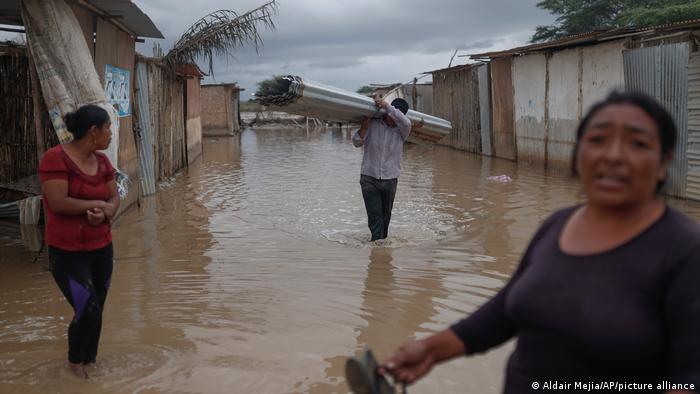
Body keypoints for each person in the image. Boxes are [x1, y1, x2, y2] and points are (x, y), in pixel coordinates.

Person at [378, 91, 700, 393]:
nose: (613, 155)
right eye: (598, 139)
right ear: (579, 154)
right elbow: (506, 310)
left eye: (638, 144)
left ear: (664, 162)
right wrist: (430, 350)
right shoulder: (559, 224)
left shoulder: (684, 251)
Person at [39, 104, 119, 379]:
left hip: (102, 249)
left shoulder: (104, 162)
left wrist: (107, 210)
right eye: (108, 128)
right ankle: (75, 365)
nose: (111, 133)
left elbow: (114, 198)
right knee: (89, 308)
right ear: (93, 131)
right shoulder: (55, 158)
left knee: (98, 309)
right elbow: (58, 201)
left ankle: (90, 363)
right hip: (68, 253)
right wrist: (98, 204)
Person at [353, 97, 412, 241]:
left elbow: (405, 121)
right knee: (374, 217)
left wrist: (387, 106)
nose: (392, 119)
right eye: (391, 115)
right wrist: (364, 128)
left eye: (396, 116)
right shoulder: (373, 123)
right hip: (369, 178)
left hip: (390, 179)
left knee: (386, 217)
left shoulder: (402, 130)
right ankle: (378, 250)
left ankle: (381, 253)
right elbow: (356, 142)